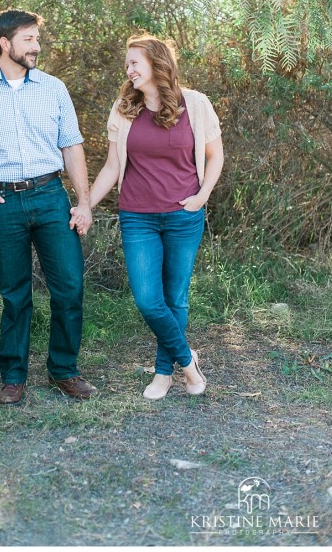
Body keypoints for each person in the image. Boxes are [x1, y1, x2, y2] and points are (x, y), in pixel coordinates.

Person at [0, 8, 97, 405]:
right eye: (29, 40)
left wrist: (83, 202)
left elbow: (71, 145)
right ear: (5, 43)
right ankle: (13, 377)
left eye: (37, 40)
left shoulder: (53, 88)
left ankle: (64, 370)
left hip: (49, 197)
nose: (37, 47)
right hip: (0, 201)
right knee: (14, 294)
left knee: (70, 287)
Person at [73, 34, 223, 400]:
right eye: (127, 64)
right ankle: (188, 363)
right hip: (138, 217)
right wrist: (86, 203)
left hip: (183, 216)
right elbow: (111, 166)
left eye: (134, 63)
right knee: (147, 299)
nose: (128, 70)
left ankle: (163, 374)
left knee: (175, 298)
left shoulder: (197, 104)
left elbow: (215, 156)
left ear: (157, 64)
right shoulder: (124, 108)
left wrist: (201, 197)